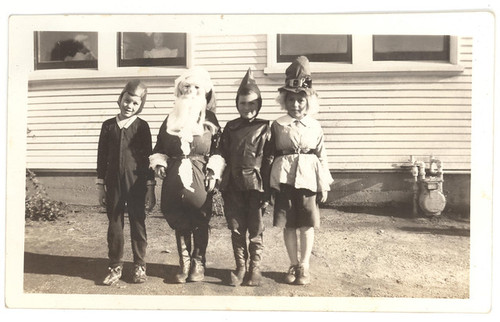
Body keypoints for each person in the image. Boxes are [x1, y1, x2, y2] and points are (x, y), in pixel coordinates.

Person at [149, 67, 223, 283]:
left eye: (196, 87)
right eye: (186, 87)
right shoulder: (171, 119)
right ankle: (185, 263)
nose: (190, 91)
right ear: (179, 92)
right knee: (180, 219)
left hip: (200, 172)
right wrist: (160, 162)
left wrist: (213, 171)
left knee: (199, 217)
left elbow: (218, 149)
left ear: (204, 92)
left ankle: (199, 263)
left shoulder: (210, 118)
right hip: (175, 176)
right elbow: (159, 146)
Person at [270, 56, 334, 285]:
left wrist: (324, 184)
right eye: (291, 100)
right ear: (284, 101)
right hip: (284, 179)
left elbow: (321, 154)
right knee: (289, 224)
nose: (296, 105)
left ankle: (304, 265)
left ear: (308, 102)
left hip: (308, 179)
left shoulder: (315, 126)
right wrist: (271, 185)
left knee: (306, 224)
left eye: (300, 100)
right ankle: (292, 263)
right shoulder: (277, 125)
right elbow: (270, 155)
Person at [96, 80, 156, 286]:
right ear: (120, 98)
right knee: (115, 225)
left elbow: (149, 158)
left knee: (138, 223)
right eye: (127, 100)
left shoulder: (142, 126)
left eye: (135, 104)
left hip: (136, 182)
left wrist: (150, 187)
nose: (129, 106)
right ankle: (115, 266)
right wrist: (100, 186)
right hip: (113, 184)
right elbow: (101, 156)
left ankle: (139, 266)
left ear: (140, 106)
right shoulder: (108, 126)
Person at [218, 68, 273, 287]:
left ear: (258, 105)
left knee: (255, 228)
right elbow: (221, 153)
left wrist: (268, 190)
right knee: (236, 227)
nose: (247, 108)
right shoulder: (230, 127)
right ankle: (240, 267)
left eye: (252, 103)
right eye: (242, 103)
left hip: (256, 185)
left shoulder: (265, 127)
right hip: (233, 185)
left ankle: (255, 269)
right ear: (237, 104)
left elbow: (269, 160)